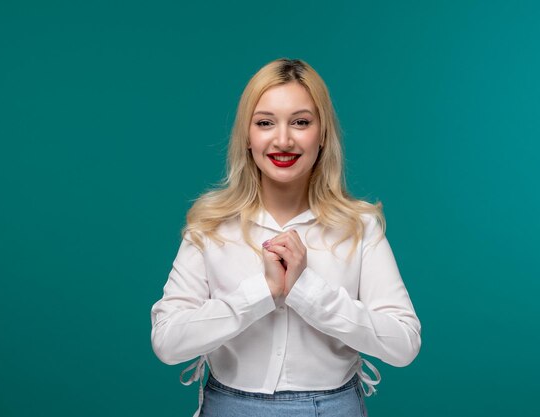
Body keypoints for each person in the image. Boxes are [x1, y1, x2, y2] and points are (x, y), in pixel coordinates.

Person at [150, 58, 422, 417]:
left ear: (322, 133)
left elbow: (403, 344)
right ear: (247, 136)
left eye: (301, 122)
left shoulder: (360, 227)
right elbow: (168, 343)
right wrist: (262, 292)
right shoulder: (211, 226)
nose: (283, 139)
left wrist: (307, 291)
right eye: (265, 123)